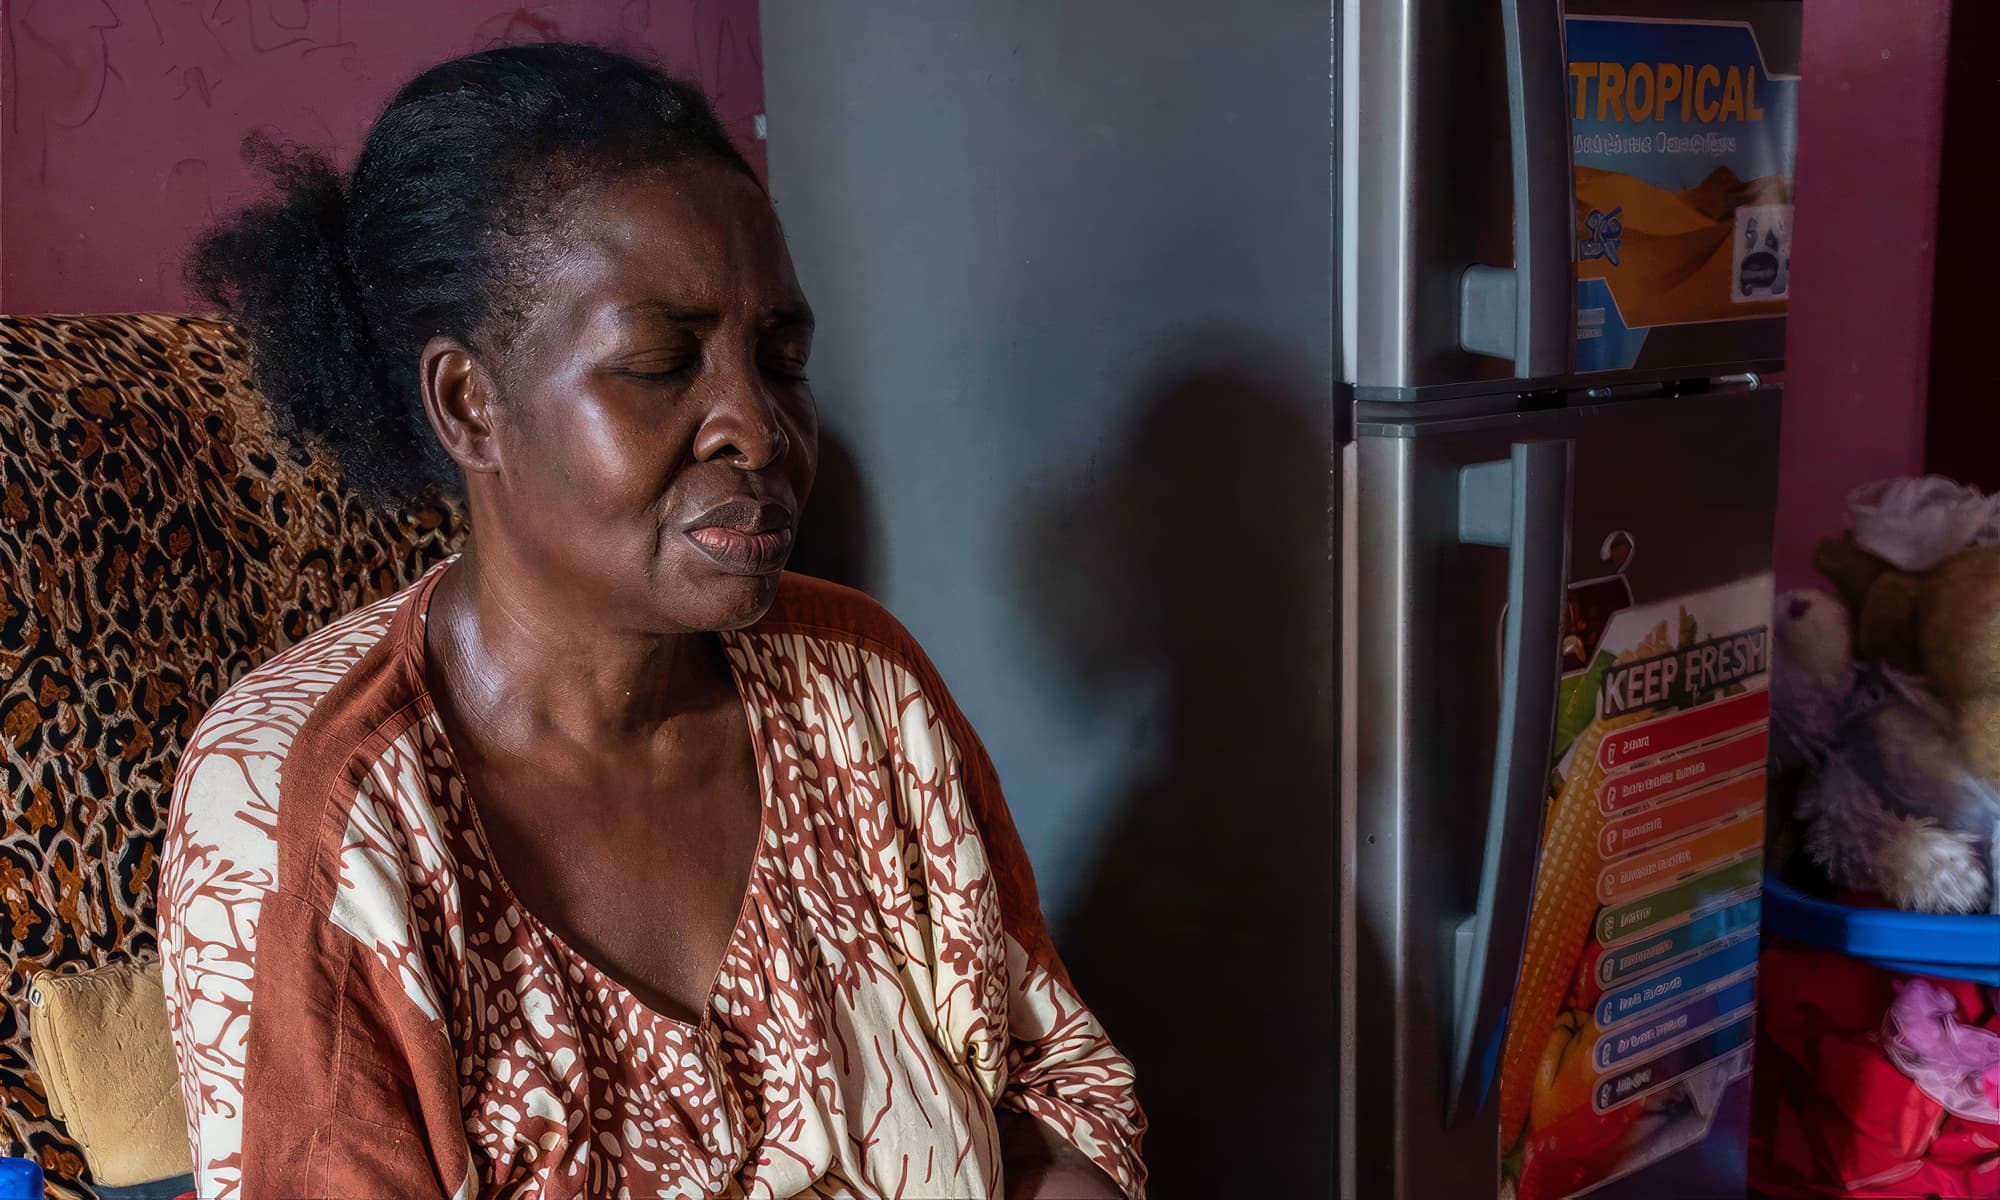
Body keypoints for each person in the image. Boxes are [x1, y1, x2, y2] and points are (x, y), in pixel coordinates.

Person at [158, 42, 1144, 1200]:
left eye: (782, 360)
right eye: (661, 364)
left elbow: (1050, 1092)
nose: (759, 429)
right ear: (471, 403)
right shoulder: (316, 813)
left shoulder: (863, 684)